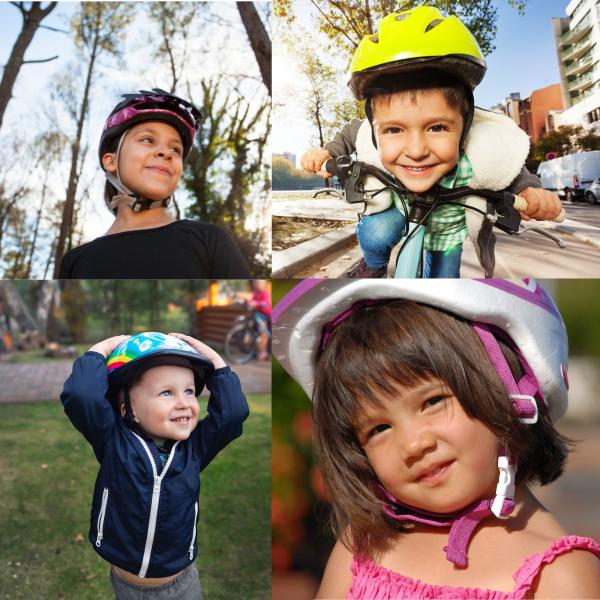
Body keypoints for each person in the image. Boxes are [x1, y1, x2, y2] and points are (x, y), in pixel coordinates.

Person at [273, 279, 600, 599]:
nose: (413, 445)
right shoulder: (363, 547)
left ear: (513, 396)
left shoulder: (562, 575)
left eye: (432, 402)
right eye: (378, 429)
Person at [301, 7, 562, 278]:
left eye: (437, 127)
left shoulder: (482, 153)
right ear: (375, 133)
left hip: (447, 231)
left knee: (444, 284)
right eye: (393, 130)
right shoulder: (367, 136)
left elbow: (511, 169)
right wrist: (327, 152)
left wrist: (532, 192)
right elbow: (353, 132)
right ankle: (373, 264)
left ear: (466, 129)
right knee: (376, 234)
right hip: (396, 206)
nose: (416, 151)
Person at [60, 331, 249, 599]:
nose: (184, 403)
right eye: (166, 393)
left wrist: (214, 359)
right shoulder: (113, 442)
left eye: (189, 391)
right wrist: (100, 349)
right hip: (129, 588)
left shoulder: (194, 450)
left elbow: (232, 413)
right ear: (128, 409)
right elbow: (82, 396)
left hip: (182, 583)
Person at [58, 89, 250, 278]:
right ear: (110, 161)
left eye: (176, 149)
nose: (166, 153)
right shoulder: (76, 262)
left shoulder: (209, 240)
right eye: (148, 139)